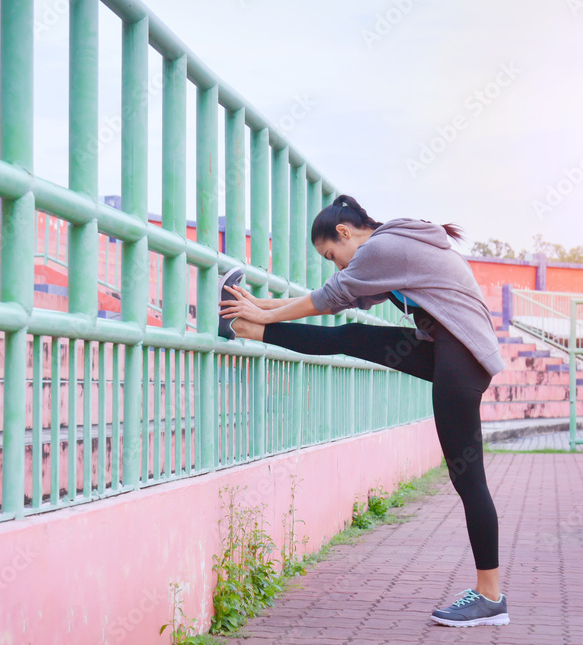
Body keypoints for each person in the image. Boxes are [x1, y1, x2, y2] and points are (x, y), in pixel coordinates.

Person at [217, 194, 510, 628]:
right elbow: (345, 298)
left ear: (345, 232)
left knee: (469, 480)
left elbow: (330, 296)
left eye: (332, 254)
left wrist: (261, 305)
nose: (335, 264)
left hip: (460, 358)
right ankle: (243, 326)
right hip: (450, 351)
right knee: (351, 337)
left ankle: (490, 597)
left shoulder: (383, 248)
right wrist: (259, 310)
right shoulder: (389, 249)